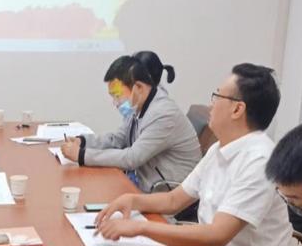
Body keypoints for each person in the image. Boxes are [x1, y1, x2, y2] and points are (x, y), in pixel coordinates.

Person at [96, 63, 294, 246]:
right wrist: (132, 200)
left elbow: (215, 236)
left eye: (217, 96)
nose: (211, 104)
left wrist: (140, 228)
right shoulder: (219, 149)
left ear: (237, 109)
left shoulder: (259, 160)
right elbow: (174, 200)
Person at [61, 54, 201, 192]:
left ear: (138, 87)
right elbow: (118, 139)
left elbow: (132, 158)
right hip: (144, 183)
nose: (115, 103)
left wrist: (81, 155)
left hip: (170, 193)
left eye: (117, 95)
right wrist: (83, 142)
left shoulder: (163, 114)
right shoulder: (138, 105)